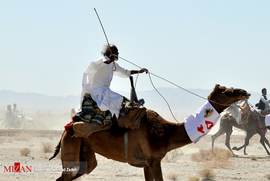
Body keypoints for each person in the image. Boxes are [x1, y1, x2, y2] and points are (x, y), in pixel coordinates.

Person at [80, 44, 148, 119]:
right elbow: (97, 65)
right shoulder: (102, 60)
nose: (118, 53)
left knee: (120, 98)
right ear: (109, 53)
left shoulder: (113, 64)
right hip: (98, 92)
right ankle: (116, 122)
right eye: (116, 51)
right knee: (118, 99)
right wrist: (110, 60)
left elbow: (125, 71)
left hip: (106, 91)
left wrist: (139, 71)